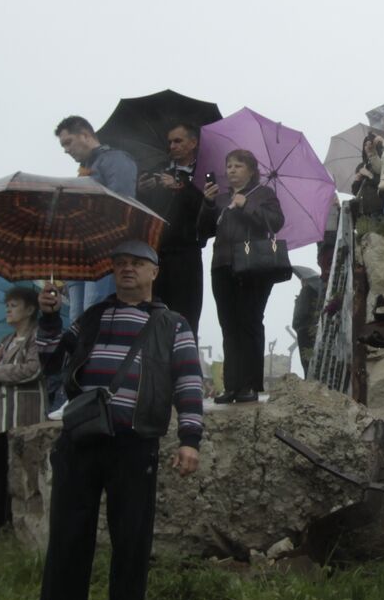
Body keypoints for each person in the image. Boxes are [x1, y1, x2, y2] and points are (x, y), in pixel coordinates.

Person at [31, 239, 203, 600]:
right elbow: (50, 362)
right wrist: (49, 316)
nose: (127, 269)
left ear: (154, 272)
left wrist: (189, 438)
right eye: (120, 263)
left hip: (135, 442)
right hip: (82, 441)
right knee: (68, 538)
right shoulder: (90, 317)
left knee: (131, 542)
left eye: (137, 263)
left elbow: (188, 381)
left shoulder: (174, 325)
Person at [200, 149, 286, 403]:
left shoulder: (264, 194)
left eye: (238, 165)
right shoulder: (221, 198)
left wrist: (246, 205)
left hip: (253, 267)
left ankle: (249, 385)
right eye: (229, 166)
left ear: (251, 170)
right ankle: (232, 386)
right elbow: (202, 232)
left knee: (249, 322)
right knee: (229, 325)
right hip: (222, 266)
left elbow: (276, 222)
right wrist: (206, 204)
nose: (232, 170)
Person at [55, 116, 139, 315]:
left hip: (103, 250)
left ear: (85, 135)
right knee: (77, 320)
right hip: (80, 254)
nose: (66, 150)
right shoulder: (85, 169)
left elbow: (122, 206)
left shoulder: (115, 159)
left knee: (95, 313)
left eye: (68, 142)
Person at [0, 286, 47, 531]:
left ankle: (24, 525)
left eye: (14, 305)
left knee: (25, 476)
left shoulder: (37, 336)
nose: (8, 310)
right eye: (7, 305)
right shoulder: (4, 341)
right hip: (2, 418)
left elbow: (33, 369)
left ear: (30, 309)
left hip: (26, 417)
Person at [137, 122, 207, 335]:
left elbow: (207, 212)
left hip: (187, 254)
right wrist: (143, 191)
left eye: (178, 141)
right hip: (156, 253)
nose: (173, 146)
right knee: (152, 316)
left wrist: (181, 187)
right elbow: (145, 211)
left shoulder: (204, 173)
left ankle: (183, 365)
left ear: (193, 143)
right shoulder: (160, 169)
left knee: (185, 318)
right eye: (170, 142)